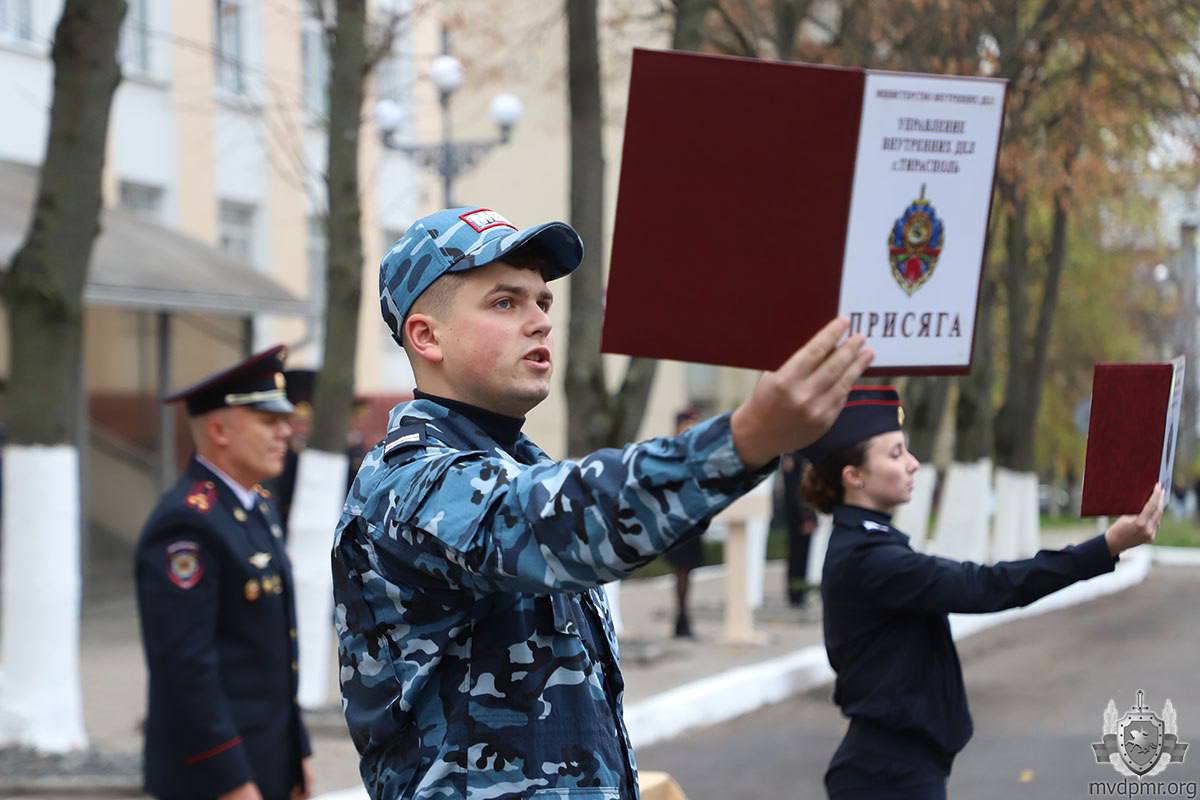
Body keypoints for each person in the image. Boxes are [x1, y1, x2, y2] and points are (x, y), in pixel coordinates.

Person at [332, 205, 874, 799]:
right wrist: (744, 440)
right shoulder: (405, 480)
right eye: (505, 302)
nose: (540, 322)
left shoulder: (522, 464)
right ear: (426, 335)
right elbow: (545, 519)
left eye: (543, 302)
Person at [799, 385, 1164, 800]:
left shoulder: (869, 544)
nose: (914, 464)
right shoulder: (871, 559)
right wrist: (1104, 547)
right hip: (887, 776)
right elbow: (987, 586)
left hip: (895, 767)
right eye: (896, 454)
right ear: (854, 476)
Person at [135, 346, 314, 800]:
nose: (285, 433)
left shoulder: (257, 505)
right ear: (218, 430)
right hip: (214, 773)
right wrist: (230, 780)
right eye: (268, 422)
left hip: (266, 758)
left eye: (285, 421)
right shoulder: (187, 524)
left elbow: (274, 653)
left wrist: (299, 754)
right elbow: (185, 669)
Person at [660, 407, 706, 638]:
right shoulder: (671, 451)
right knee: (681, 572)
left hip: (694, 519)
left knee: (688, 573)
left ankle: (683, 620)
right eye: (689, 423)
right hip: (677, 520)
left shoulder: (696, 452)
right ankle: (682, 620)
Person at [779, 450, 818, 608]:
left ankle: (797, 593)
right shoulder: (797, 454)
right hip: (799, 517)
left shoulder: (792, 453)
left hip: (796, 516)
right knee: (799, 555)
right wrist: (807, 517)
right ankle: (796, 594)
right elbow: (799, 490)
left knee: (798, 555)